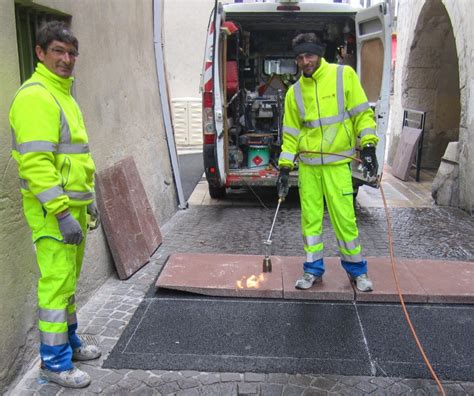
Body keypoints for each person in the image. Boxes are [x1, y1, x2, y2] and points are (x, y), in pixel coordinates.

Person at [9, 21, 101, 388]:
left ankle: (70, 342)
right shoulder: (36, 96)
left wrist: (88, 201)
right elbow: (35, 165)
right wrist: (62, 212)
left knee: (67, 285)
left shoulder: (63, 94)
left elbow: (76, 157)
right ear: (40, 53)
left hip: (72, 208)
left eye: (71, 53)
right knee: (55, 285)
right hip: (53, 213)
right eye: (58, 52)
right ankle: (54, 363)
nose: (66, 59)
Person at [276, 33, 378, 292]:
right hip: (309, 168)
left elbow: (362, 114)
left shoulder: (344, 76)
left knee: (345, 219)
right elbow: (290, 135)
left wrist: (368, 146)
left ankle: (358, 272)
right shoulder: (294, 93)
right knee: (310, 222)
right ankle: (312, 271)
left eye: (309, 55)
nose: (304, 61)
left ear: (319, 53)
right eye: (299, 57)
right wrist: (285, 167)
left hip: (337, 166)